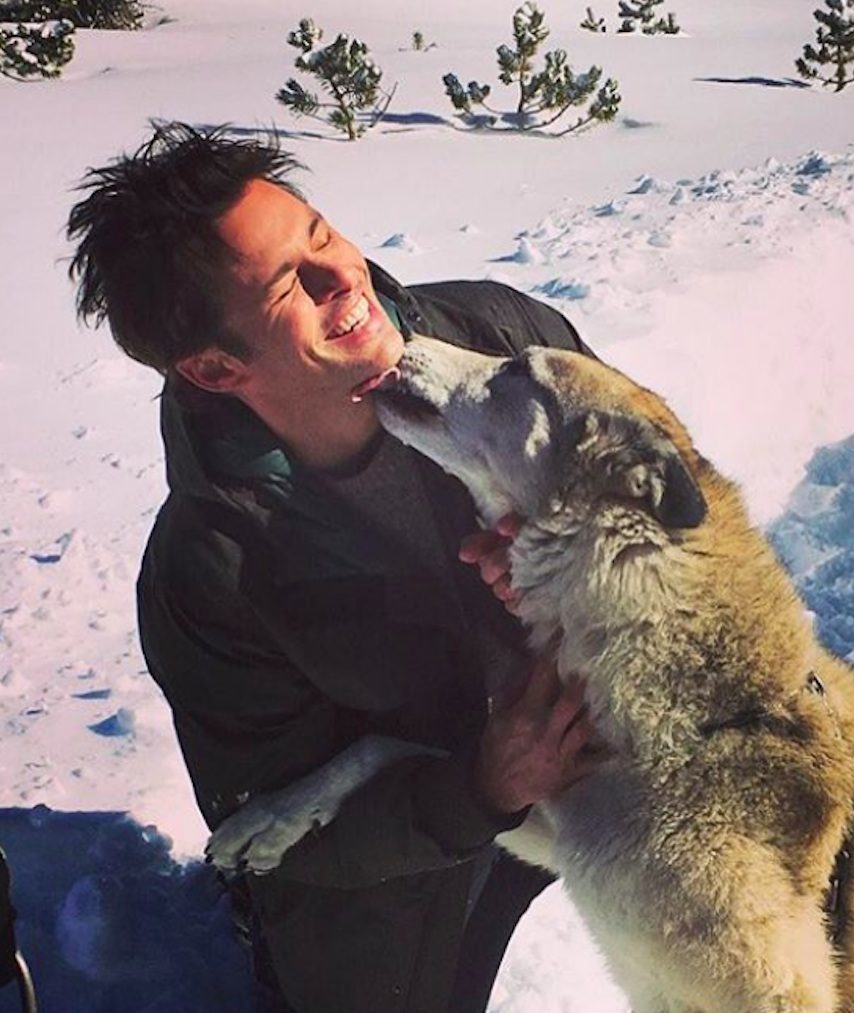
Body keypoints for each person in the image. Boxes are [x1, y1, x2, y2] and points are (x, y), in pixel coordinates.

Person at [66, 122, 601, 1013]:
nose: (345, 277)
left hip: (579, 742)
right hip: (412, 831)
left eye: (321, 235)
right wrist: (485, 784)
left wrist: (575, 559)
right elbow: (281, 821)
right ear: (215, 367)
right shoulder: (211, 573)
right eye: (290, 285)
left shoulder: (504, 337)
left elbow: (666, 500)